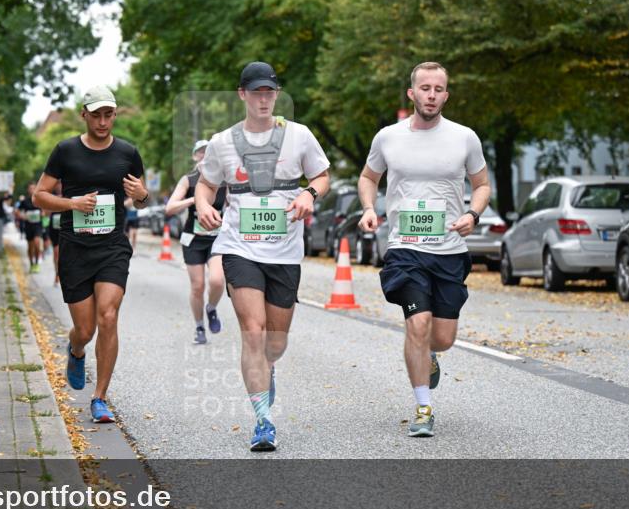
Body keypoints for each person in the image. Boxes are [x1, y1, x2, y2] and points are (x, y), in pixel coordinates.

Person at [195, 62, 330, 451]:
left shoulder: (299, 136)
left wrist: (309, 193)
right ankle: (263, 421)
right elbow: (206, 185)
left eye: (269, 91)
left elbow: (322, 175)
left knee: (275, 342)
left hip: (285, 252)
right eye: (256, 92)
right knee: (252, 331)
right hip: (239, 247)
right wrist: (204, 206)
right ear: (242, 95)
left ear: (277, 93)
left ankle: (267, 369)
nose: (263, 98)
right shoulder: (223, 142)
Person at [358, 61, 489, 438]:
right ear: (411, 93)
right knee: (417, 323)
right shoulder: (388, 137)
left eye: (439, 89)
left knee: (442, 337)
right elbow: (369, 177)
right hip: (405, 248)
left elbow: (482, 185)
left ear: (446, 95)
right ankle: (423, 406)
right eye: (425, 88)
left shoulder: (465, 137)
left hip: (449, 248)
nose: (431, 95)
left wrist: (473, 214)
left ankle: (428, 354)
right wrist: (370, 208)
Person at [34, 85, 148, 423]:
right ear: (84, 114)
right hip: (75, 248)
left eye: (108, 114)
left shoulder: (128, 153)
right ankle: (76, 349)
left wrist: (141, 194)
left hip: (112, 246)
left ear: (114, 115)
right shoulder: (65, 151)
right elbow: (39, 196)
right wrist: (72, 203)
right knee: (85, 329)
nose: (102, 121)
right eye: (95, 114)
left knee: (108, 316)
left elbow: (140, 198)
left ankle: (99, 398)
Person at [165, 139, 227, 344]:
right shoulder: (188, 180)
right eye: (200, 153)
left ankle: (211, 308)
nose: (204, 155)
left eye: (208, 152)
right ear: (195, 156)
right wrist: (195, 199)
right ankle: (200, 326)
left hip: (217, 237)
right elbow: (170, 208)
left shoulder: (223, 180)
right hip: (192, 239)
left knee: (217, 280)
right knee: (197, 286)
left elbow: (234, 205)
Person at [16, 181, 43, 272]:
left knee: (37, 243)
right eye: (30, 188)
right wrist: (22, 216)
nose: (32, 190)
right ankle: (31, 263)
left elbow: (46, 210)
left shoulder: (39, 200)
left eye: (33, 188)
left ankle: (36, 263)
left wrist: (43, 213)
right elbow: (17, 211)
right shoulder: (25, 201)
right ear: (28, 190)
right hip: (28, 226)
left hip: (38, 225)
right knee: (30, 247)